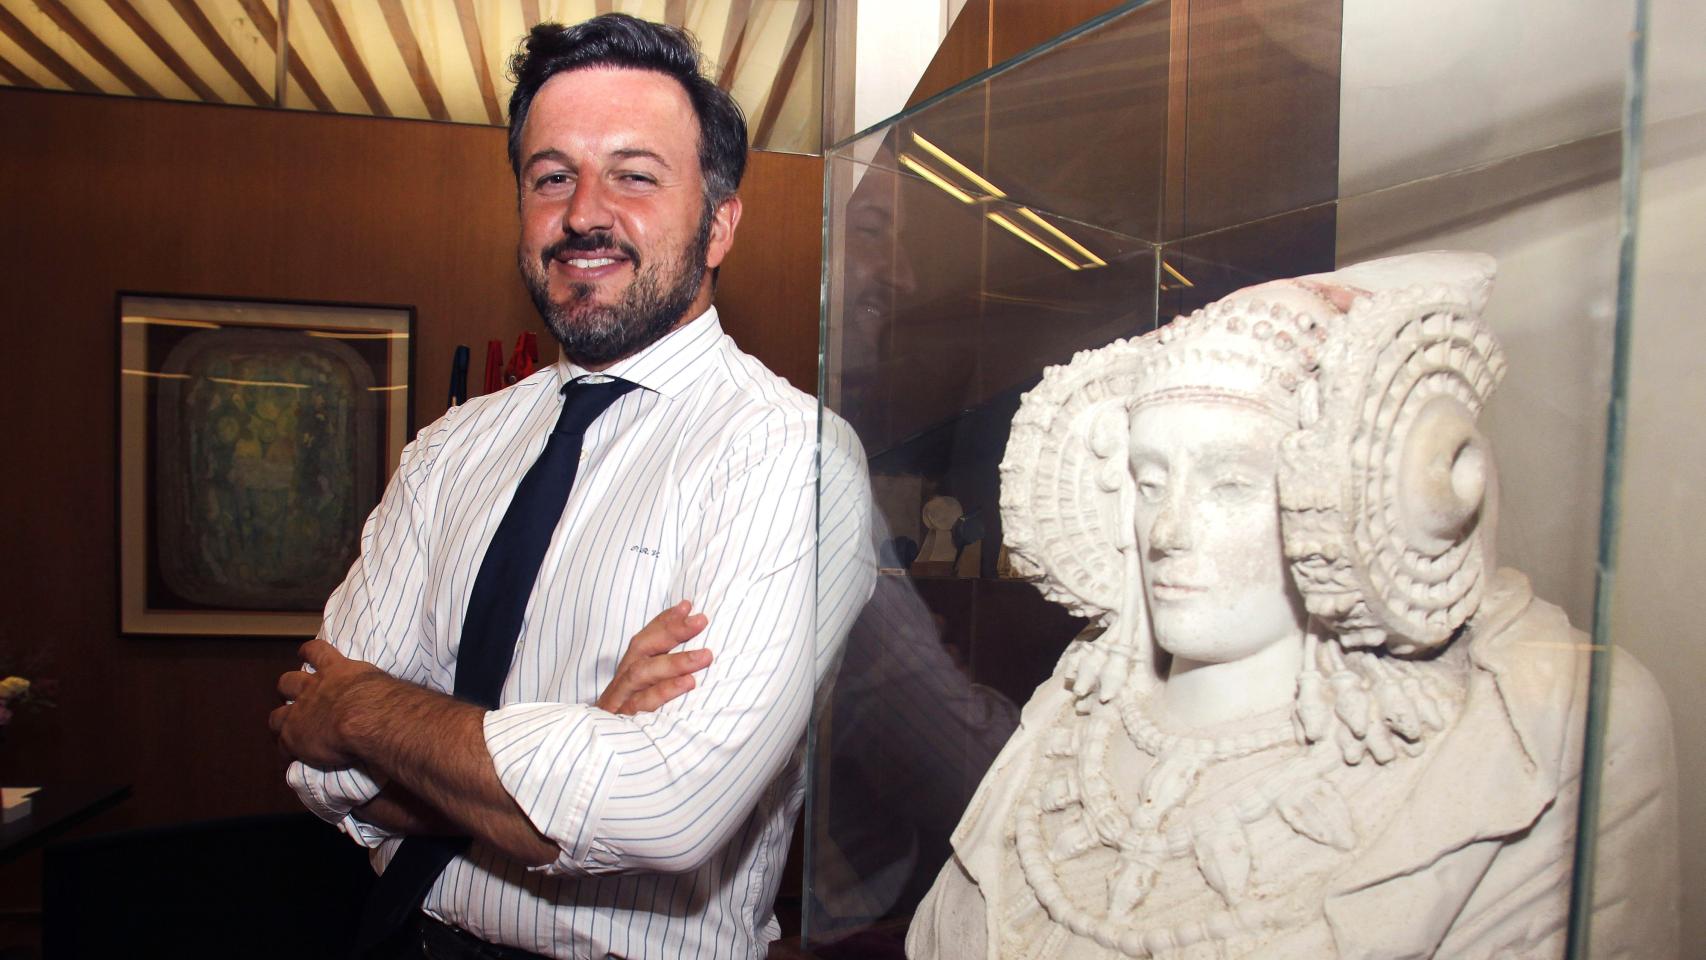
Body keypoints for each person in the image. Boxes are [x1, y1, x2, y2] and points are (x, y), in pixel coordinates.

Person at [269, 14, 873, 959]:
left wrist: (368, 711)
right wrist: (581, 743)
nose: (585, 213)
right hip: (399, 938)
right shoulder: (450, 449)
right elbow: (318, 769)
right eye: (552, 177)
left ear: (719, 224)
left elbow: (663, 812)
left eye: (634, 175)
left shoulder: (790, 456)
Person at [906, 253, 1677, 959]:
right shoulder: (1076, 706)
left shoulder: (1535, 732)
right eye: (1150, 483)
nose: (1168, 533)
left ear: (1355, 499)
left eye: (1231, 484)